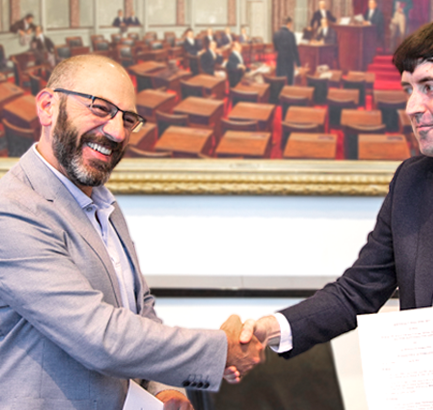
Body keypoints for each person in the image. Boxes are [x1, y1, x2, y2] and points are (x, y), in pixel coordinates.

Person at [242, 16, 433, 410]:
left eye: (429, 88)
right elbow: (357, 291)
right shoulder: (411, 183)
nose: (412, 107)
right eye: (409, 89)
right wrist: (271, 328)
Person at [0, 54, 263, 410]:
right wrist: (221, 350)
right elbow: (98, 335)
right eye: (100, 108)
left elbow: (140, 312)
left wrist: (163, 391)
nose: (117, 132)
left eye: (127, 119)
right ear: (48, 107)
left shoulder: (104, 205)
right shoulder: (12, 209)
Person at [273, 16, 301, 85]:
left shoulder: (276, 34)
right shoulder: (291, 35)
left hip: (280, 58)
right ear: (289, 23)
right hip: (289, 59)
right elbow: (294, 50)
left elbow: (276, 48)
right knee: (289, 80)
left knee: (280, 78)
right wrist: (298, 64)